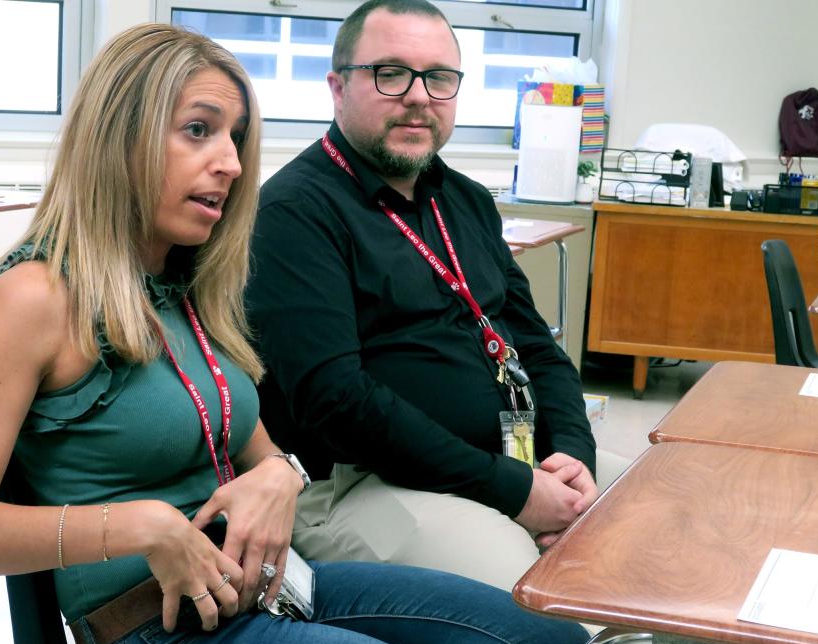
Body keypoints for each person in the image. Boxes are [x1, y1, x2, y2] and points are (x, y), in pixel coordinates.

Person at [0, 22, 589, 644]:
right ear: (119, 137)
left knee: (544, 642)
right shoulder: (33, 297)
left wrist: (277, 474)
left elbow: (263, 451)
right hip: (154, 625)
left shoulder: (188, 282)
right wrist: (142, 526)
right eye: (198, 132)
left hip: (263, 588)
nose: (231, 164)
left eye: (235, 139)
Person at [248, 0, 612, 591]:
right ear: (337, 88)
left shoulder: (464, 199)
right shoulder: (294, 212)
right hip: (359, 482)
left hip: (504, 460)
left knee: (660, 517)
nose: (419, 96)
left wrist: (573, 452)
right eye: (391, 73)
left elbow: (535, 347)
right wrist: (515, 491)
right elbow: (338, 403)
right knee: (542, 602)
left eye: (439, 78)